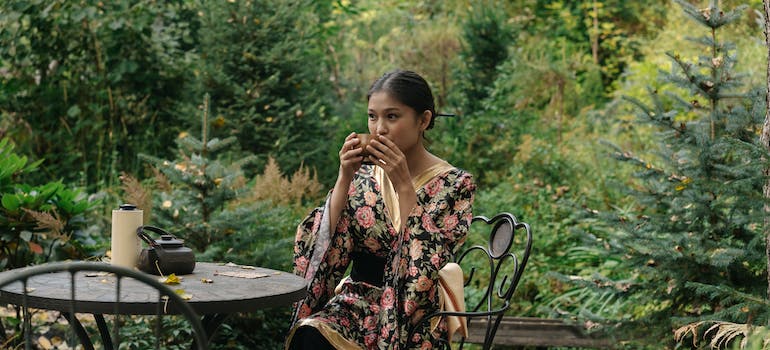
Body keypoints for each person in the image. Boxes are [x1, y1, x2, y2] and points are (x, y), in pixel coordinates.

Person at [285, 69, 476, 349]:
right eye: (372, 116)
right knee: (311, 335)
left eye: (392, 116)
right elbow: (322, 246)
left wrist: (403, 185)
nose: (379, 129)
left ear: (423, 120)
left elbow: (430, 262)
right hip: (356, 306)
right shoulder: (363, 177)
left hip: (414, 316)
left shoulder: (456, 184)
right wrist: (344, 178)